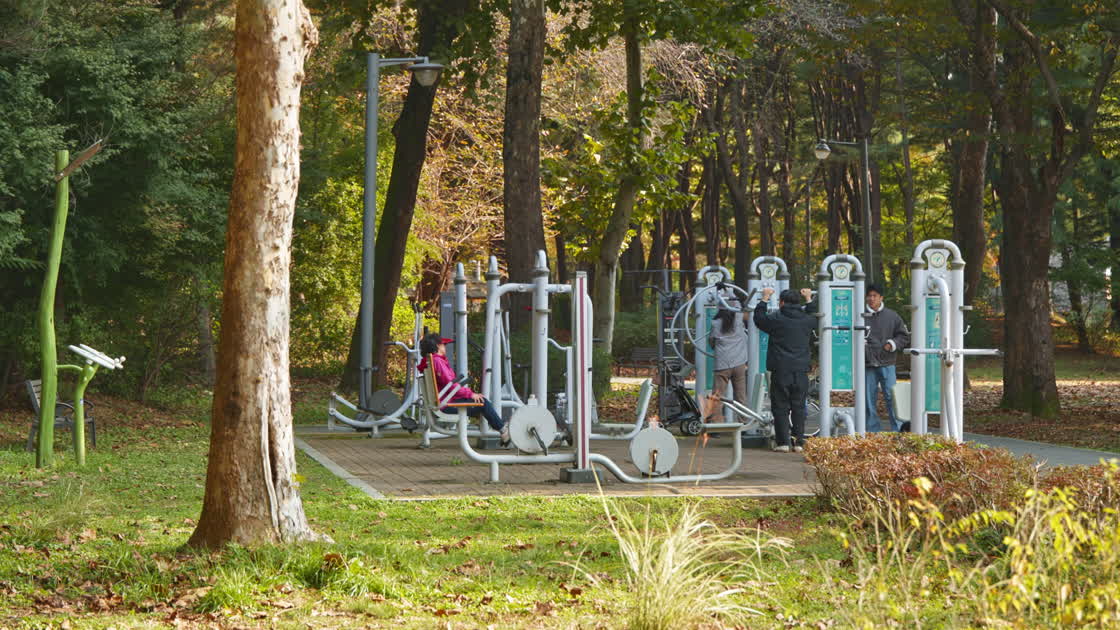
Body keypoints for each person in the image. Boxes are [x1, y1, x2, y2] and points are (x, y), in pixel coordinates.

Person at [753, 287, 817, 452]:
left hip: (781, 369)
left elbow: (759, 319)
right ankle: (799, 442)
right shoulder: (806, 320)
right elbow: (814, 316)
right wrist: (809, 298)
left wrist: (765, 298)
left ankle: (783, 443)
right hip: (801, 370)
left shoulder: (776, 319)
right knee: (799, 406)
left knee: (780, 406)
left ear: (781, 302)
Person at [418, 333, 510, 445]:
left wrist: (468, 394)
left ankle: (500, 428)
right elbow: (451, 385)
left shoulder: (430, 361)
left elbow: (449, 385)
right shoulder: (438, 361)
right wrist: (470, 394)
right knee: (483, 402)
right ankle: (503, 430)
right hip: (446, 404)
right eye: (443, 344)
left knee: (481, 403)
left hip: (442, 401)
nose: (445, 347)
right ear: (437, 346)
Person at [863, 284, 910, 432]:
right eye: (869, 296)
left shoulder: (892, 316)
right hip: (867, 364)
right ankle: (872, 432)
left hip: (887, 363)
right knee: (868, 399)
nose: (871, 299)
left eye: (874, 296)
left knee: (892, 397)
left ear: (881, 298)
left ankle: (898, 431)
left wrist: (891, 344)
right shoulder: (860, 315)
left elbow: (904, 336)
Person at [704, 297, 750, 426]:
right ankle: (744, 422)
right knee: (740, 396)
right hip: (739, 363)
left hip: (722, 364)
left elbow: (712, 341)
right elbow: (748, 314)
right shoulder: (739, 319)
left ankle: (716, 424)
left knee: (717, 396)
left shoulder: (716, 323)